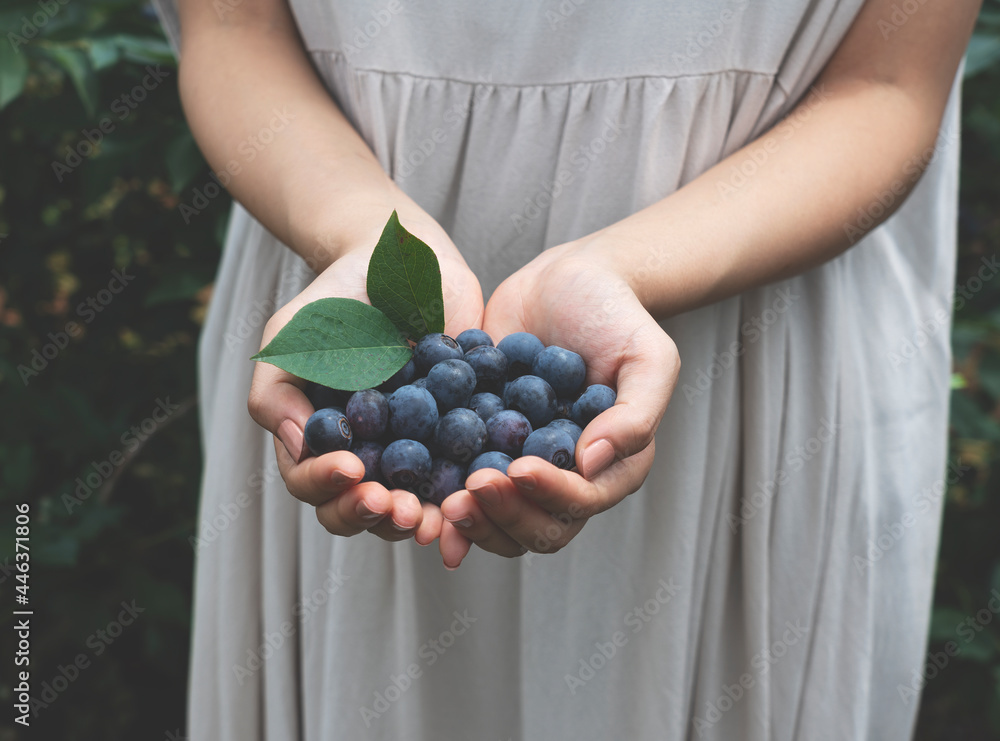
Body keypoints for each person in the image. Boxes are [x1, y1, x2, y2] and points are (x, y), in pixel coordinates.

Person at [155, 0, 979, 737]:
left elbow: (888, 85)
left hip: (753, 346)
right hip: (342, 258)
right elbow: (233, 29)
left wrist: (629, 268)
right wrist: (356, 232)